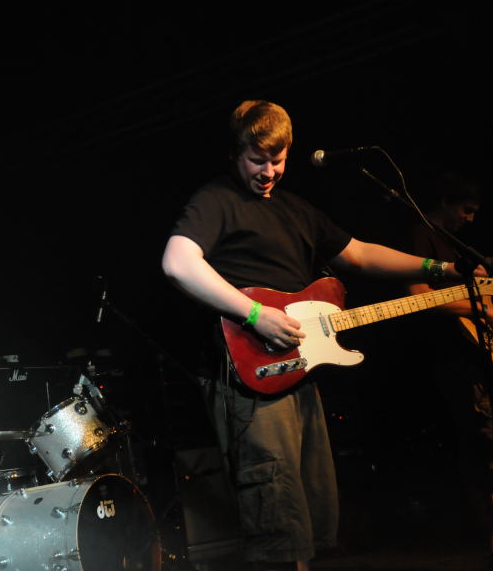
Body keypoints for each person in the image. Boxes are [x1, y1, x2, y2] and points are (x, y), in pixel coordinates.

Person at [161, 100, 475, 571]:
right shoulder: (216, 200)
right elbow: (177, 262)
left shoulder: (295, 209)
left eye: (278, 160)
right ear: (235, 153)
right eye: (257, 160)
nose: (268, 171)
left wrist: (441, 268)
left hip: (299, 370)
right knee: (276, 517)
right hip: (251, 376)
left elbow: (360, 255)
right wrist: (254, 314)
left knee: (305, 514)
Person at [403, 173, 493, 565]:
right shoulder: (421, 236)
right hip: (451, 357)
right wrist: (484, 312)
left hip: (476, 354)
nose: (470, 219)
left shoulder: (456, 244)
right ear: (445, 201)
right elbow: (419, 296)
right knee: (482, 443)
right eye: (466, 210)